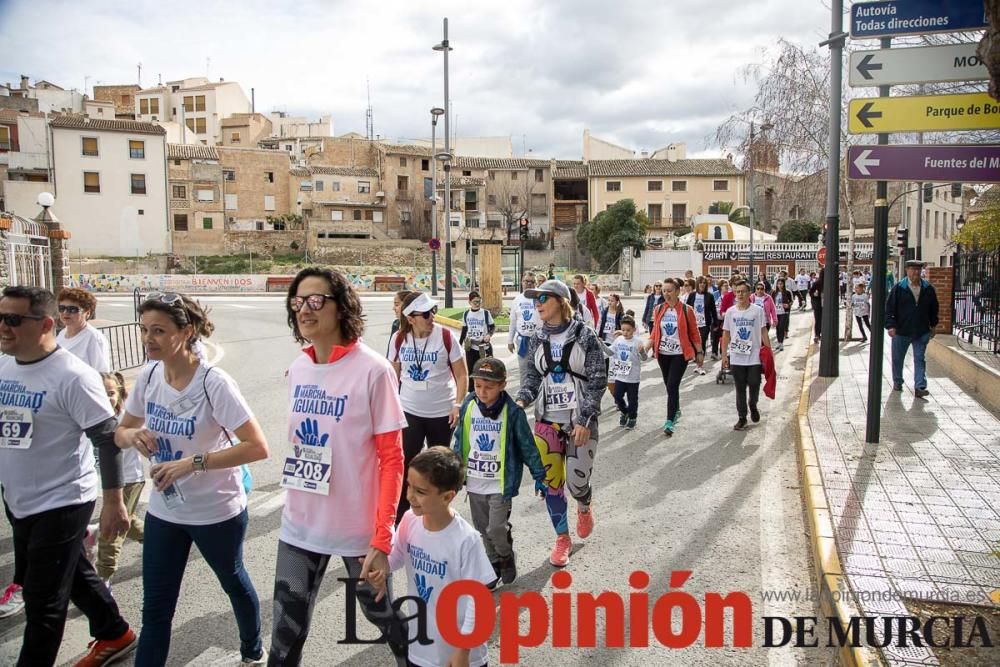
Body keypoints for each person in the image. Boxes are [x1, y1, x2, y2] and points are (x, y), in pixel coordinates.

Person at [115, 292, 269, 665]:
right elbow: (121, 431)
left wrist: (193, 463)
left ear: (186, 332)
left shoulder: (213, 383)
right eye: (144, 330)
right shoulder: (150, 376)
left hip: (216, 511)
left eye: (159, 331)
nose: (148, 339)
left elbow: (256, 447)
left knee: (232, 581)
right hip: (165, 512)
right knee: (155, 610)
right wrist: (134, 436)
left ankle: (252, 648)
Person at [270, 268, 410, 665]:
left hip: (356, 532)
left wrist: (382, 538)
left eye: (316, 300)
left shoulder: (373, 370)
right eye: (297, 301)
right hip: (300, 527)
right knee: (283, 636)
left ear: (341, 307)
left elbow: (392, 458)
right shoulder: (298, 369)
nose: (304, 309)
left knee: (383, 617)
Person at [0, 286, 137, 666]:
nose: (3, 328)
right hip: (19, 499)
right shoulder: (4, 367)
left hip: (62, 501)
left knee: (43, 603)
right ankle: (115, 632)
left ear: (44, 325)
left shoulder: (73, 377)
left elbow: (107, 440)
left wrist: (113, 503)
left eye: (13, 320)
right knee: (73, 573)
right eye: (0, 317)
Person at [369, 447, 496, 667]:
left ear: (447, 496)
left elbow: (479, 602)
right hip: (421, 650)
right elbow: (397, 557)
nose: (409, 496)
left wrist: (463, 651)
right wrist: (381, 569)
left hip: (461, 655)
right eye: (409, 486)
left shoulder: (466, 540)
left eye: (420, 491)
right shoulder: (410, 520)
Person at [516, 279, 606, 567]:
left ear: (561, 301)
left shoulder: (585, 335)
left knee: (576, 481)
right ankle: (562, 538)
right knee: (552, 483)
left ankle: (583, 502)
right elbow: (531, 377)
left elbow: (597, 380)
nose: (537, 303)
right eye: (535, 299)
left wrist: (585, 418)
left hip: (580, 419)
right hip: (548, 419)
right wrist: (520, 402)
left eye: (543, 297)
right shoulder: (535, 338)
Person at [452, 358, 545, 587]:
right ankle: (492, 564)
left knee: (495, 528)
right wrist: (453, 472)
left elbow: (527, 446)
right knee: (482, 529)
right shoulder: (469, 406)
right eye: (478, 386)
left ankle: (505, 555)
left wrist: (539, 476)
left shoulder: (513, 413)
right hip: (475, 480)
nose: (482, 392)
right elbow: (460, 440)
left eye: (489, 387)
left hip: (500, 483)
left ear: (502, 385)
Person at [388, 291, 468, 523]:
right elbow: (393, 375)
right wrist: (392, 406)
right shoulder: (398, 338)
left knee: (438, 467)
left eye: (432, 311)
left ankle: (436, 514)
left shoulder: (446, 336)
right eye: (425, 314)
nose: (431, 316)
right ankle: (402, 517)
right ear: (410, 317)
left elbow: (462, 375)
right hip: (409, 410)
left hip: (442, 412)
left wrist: (458, 404)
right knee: (405, 463)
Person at [95, 372, 145, 586]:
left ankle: (103, 578)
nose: (107, 398)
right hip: (107, 481)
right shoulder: (90, 418)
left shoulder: (125, 419)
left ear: (120, 393)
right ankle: (159, 542)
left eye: (111, 393)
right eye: (101, 393)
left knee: (111, 529)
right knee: (129, 522)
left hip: (129, 480)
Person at [645, 279, 703, 437]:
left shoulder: (686, 309)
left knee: (672, 385)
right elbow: (655, 332)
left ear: (678, 291)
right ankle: (676, 409)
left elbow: (694, 332)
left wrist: (699, 352)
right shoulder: (658, 309)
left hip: (680, 354)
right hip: (663, 354)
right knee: (669, 386)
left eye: (669, 290)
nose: (666, 294)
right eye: (664, 291)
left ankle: (669, 420)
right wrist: (646, 347)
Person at [722, 281, 772, 431]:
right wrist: (724, 355)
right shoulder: (731, 312)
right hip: (737, 356)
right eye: (737, 292)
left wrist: (768, 352)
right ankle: (742, 417)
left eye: (743, 291)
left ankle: (753, 404)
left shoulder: (757, 311)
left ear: (749, 293)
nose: (740, 294)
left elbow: (763, 331)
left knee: (755, 383)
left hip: (754, 356)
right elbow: (726, 334)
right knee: (740, 388)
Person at [886, 260, 939, 398]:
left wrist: (933, 325)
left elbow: (934, 309)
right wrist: (891, 326)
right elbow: (890, 309)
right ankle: (897, 381)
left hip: (921, 330)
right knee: (898, 359)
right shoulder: (899, 288)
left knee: (919, 358)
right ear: (907, 271)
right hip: (901, 331)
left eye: (918, 270)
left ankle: (920, 386)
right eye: (912, 269)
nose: (915, 272)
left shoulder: (928, 288)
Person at [56, 287, 112, 372]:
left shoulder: (94, 339)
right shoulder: (61, 334)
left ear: (87, 313)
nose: (65, 313)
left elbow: (102, 374)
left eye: (72, 309)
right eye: (62, 308)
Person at [610, 316, 647, 429]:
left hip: (633, 378)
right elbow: (610, 351)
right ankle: (624, 412)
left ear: (634, 330)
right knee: (617, 396)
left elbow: (644, 358)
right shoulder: (618, 340)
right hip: (620, 376)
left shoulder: (638, 342)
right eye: (623, 330)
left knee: (632, 400)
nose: (625, 333)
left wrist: (642, 352)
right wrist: (600, 346)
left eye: (628, 330)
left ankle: (632, 417)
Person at [459, 291, 495, 392]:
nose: (477, 304)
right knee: (471, 370)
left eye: (479, 302)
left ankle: (488, 390)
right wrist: (459, 344)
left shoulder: (485, 313)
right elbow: (464, 329)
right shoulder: (466, 314)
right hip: (470, 347)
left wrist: (489, 334)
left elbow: (492, 326)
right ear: (469, 302)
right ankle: (472, 392)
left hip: (483, 347)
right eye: (475, 302)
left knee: (486, 370)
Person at [508, 273, 540, 385]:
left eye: (531, 282)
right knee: (524, 370)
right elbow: (512, 321)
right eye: (526, 281)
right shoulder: (517, 300)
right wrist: (509, 341)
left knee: (540, 368)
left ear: (536, 284)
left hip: (539, 340)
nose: (528, 284)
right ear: (522, 282)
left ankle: (540, 397)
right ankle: (524, 396)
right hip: (523, 341)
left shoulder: (540, 298)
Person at [686, 277, 718, 375]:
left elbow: (713, 311)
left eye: (704, 283)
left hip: (704, 324)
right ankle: (697, 361)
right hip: (693, 324)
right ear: (697, 284)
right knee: (694, 343)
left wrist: (715, 323)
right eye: (700, 283)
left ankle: (700, 366)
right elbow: (686, 309)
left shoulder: (709, 296)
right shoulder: (692, 295)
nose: (702, 284)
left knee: (701, 343)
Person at [387, 289, 414, 356]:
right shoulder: (396, 324)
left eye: (397, 304)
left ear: (407, 305)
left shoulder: (418, 326)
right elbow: (390, 353)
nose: (393, 308)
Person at [771, 278, 793, 352]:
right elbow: (771, 302)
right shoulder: (774, 293)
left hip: (784, 312)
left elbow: (791, 301)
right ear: (776, 284)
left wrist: (788, 305)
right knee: (777, 328)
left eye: (781, 284)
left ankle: (781, 343)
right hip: (776, 313)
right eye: (778, 284)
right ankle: (779, 343)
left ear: (784, 284)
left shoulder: (787, 292)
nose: (780, 285)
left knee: (781, 327)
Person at [808, 270, 824, 342]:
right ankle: (817, 334)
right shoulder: (817, 283)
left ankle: (819, 334)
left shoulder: (831, 283)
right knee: (818, 319)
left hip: (824, 304)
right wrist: (814, 294)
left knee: (820, 320)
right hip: (818, 303)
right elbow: (811, 292)